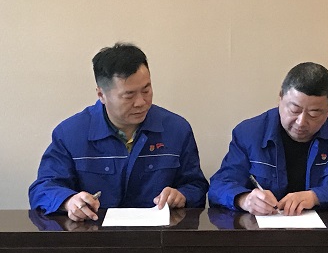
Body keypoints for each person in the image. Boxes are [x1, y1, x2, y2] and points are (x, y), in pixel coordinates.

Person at [29, 43, 208, 221]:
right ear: (101, 95)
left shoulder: (176, 129)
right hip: (94, 233)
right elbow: (43, 188)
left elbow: (196, 185)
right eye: (129, 95)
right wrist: (68, 201)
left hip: (159, 234)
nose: (141, 102)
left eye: (146, 90)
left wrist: (182, 195)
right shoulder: (70, 134)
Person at [208, 62, 328, 216]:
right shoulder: (249, 133)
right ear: (280, 98)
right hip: (265, 236)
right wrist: (244, 199)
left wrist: (317, 196)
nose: (301, 122)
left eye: (314, 113)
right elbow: (219, 186)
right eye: (294, 110)